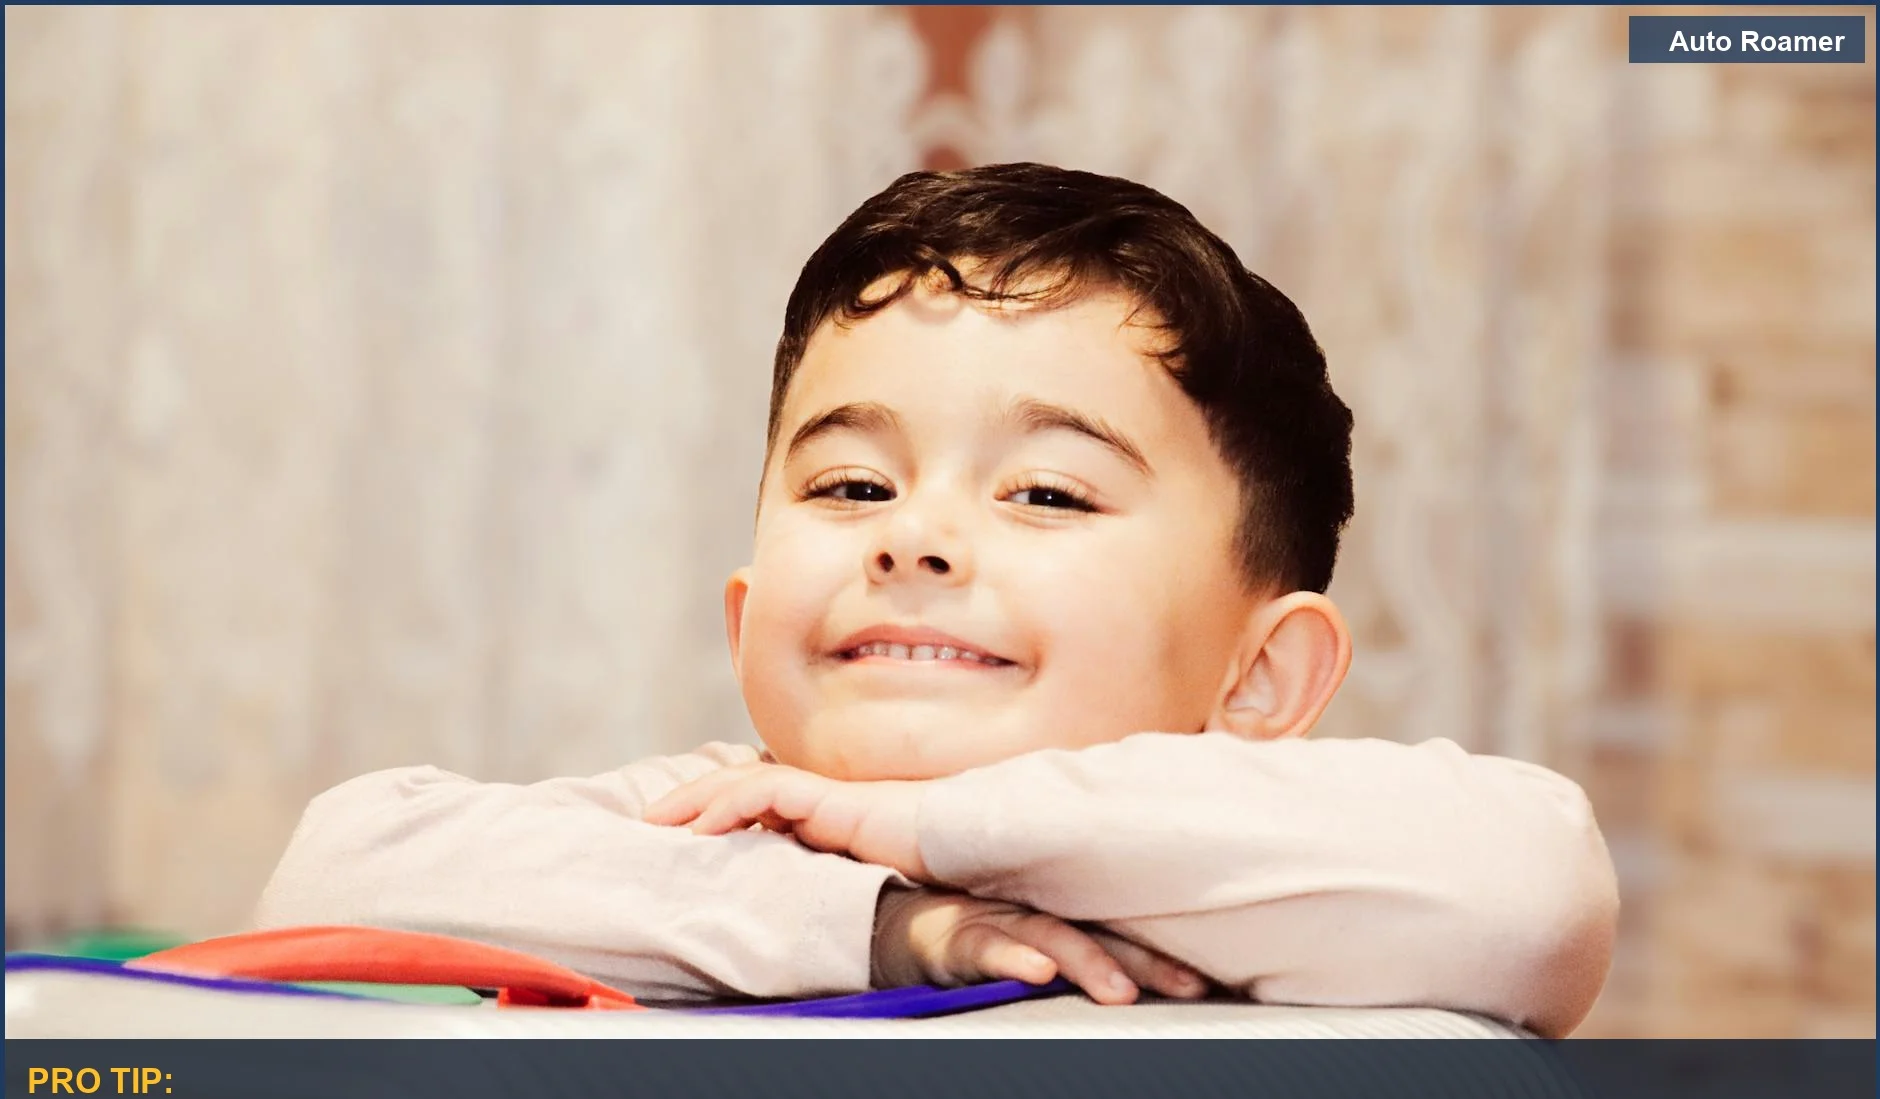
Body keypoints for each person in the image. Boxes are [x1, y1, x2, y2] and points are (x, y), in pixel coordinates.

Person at [257, 164, 1617, 1036]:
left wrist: (930, 827)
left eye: (1047, 494)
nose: (916, 538)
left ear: (1258, 681)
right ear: (745, 623)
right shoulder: (738, 822)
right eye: (852, 486)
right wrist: (883, 921)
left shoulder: (1270, 859)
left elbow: (1536, 894)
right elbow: (335, 873)